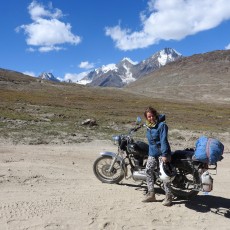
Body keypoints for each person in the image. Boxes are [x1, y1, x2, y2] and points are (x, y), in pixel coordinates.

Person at [142, 106, 173, 206]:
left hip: (162, 153)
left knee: (164, 175)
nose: (150, 118)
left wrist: (164, 154)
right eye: (148, 117)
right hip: (152, 153)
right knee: (148, 170)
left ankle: (168, 197)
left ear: (155, 115)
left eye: (152, 116)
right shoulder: (148, 126)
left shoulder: (162, 125)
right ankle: (151, 194)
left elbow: (163, 140)